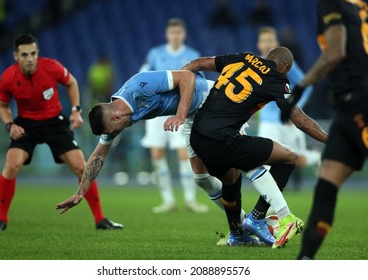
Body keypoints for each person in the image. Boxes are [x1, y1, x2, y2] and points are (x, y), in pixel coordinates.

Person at [56, 69, 323, 247]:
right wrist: (81, 191)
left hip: (213, 101)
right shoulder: (117, 117)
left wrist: (181, 115)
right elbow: (99, 154)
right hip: (193, 115)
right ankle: (242, 227)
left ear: (114, 116)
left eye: (112, 130)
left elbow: (187, 77)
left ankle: (278, 216)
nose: (114, 135)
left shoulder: (139, 86)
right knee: (202, 179)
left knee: (241, 159)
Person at [181, 47, 328, 248]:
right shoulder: (277, 78)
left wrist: (182, 86)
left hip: (198, 138)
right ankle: (258, 218)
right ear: (284, 68)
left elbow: (196, 63)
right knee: (289, 157)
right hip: (223, 139)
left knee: (231, 179)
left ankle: (236, 234)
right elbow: (300, 121)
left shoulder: (242, 58)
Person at [0, 34, 122, 232]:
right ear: (16, 56)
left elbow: (72, 82)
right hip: (26, 124)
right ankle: (1, 220)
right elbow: (2, 106)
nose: (30, 58)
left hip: (54, 123)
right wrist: (10, 125)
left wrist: (76, 110)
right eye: (25, 54)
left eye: (33, 53)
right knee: (11, 165)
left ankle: (100, 219)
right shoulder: (8, 77)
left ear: (38, 53)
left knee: (81, 167)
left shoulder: (51, 67)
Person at [280, 0, 368, 260]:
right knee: (326, 186)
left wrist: (299, 89)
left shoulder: (332, 3)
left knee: (326, 190)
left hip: (360, 102)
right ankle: (305, 262)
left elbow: (335, 52)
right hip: (347, 107)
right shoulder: (359, 8)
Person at [139, 18, 208, 214]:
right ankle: (167, 200)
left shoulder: (192, 55)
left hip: (181, 110)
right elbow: (143, 76)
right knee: (157, 154)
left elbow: (199, 81)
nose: (175, 36)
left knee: (183, 153)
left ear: (183, 34)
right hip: (156, 111)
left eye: (178, 33)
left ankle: (190, 199)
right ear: (167, 34)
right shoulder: (155, 54)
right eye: (172, 33)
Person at [256, 26, 321, 191]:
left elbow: (306, 86)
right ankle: (270, 204)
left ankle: (315, 157)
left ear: (276, 43)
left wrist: (293, 109)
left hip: (288, 121)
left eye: (270, 40)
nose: (267, 44)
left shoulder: (284, 63)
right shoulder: (255, 64)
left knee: (297, 159)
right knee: (264, 161)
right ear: (258, 44)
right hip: (268, 122)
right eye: (264, 40)